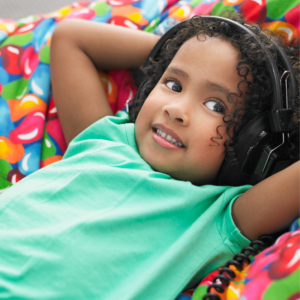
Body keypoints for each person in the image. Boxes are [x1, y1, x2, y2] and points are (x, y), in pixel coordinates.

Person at [0, 14, 298, 299]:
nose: (176, 110)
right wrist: (187, 47)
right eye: (173, 84)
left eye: (215, 106)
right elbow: (71, 37)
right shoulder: (105, 136)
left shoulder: (215, 218)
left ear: (252, 146)